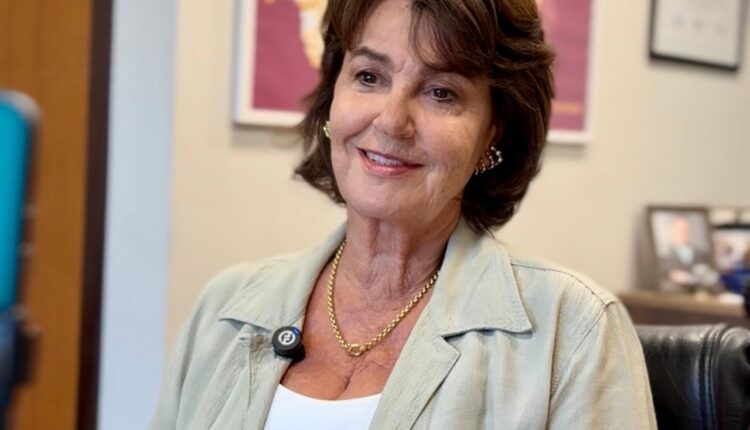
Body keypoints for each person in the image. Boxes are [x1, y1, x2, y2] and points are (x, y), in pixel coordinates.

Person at [151, 0, 656, 428]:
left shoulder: (573, 330)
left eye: (441, 92)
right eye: (368, 77)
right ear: (333, 97)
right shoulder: (226, 307)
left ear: (492, 132)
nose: (392, 121)